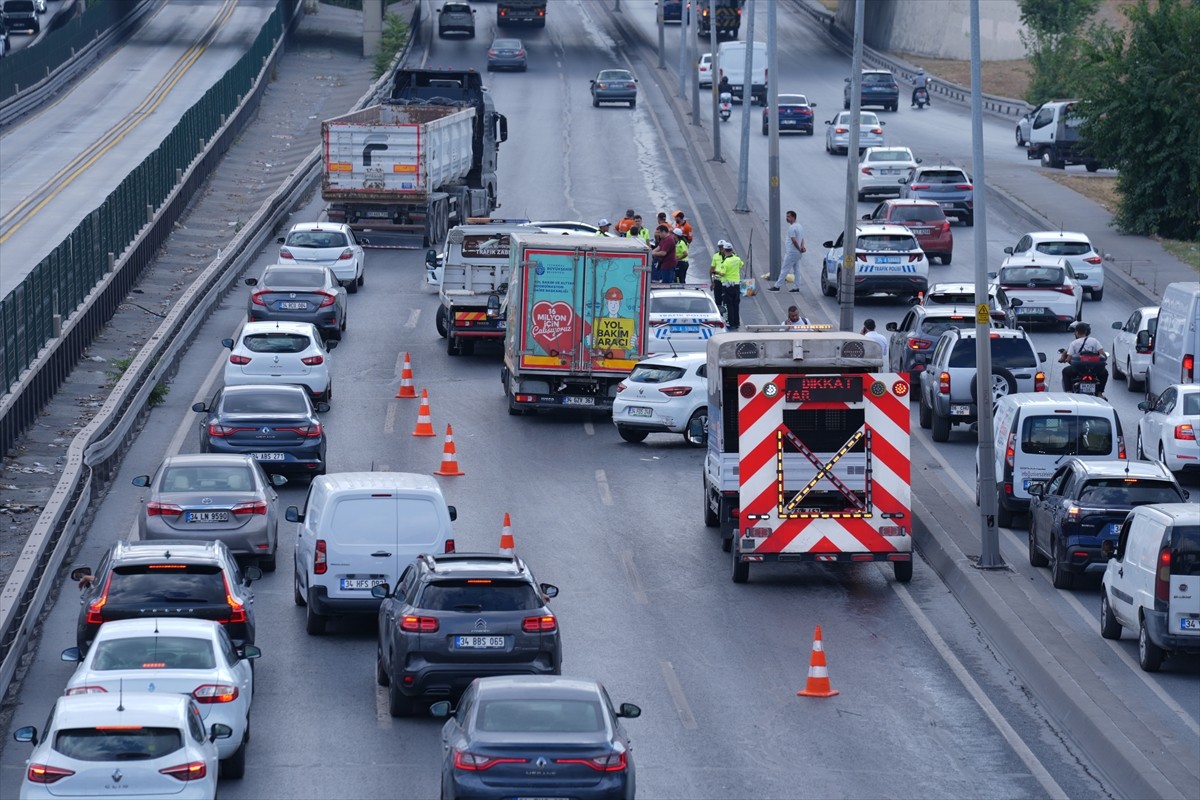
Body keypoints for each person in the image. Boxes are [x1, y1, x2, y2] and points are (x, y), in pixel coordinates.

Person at [1059, 321, 1109, 396]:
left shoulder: (1074, 343)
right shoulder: (1094, 341)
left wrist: (1065, 360)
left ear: (1076, 332)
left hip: (1078, 370)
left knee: (1065, 371)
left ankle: (1068, 392)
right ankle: (1100, 393)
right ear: (1086, 331)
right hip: (1094, 370)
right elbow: (1103, 355)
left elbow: (1069, 358)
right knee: (1105, 373)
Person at [767, 210, 805, 292]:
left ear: (793, 217)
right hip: (797, 253)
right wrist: (802, 247)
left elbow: (794, 240)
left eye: (788, 216)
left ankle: (777, 286)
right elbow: (802, 238)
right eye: (786, 216)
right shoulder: (799, 226)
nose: (786, 218)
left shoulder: (792, 228)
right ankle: (796, 287)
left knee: (785, 269)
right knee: (796, 269)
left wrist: (799, 248)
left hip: (792, 252)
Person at [714, 241, 743, 331]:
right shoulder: (737, 259)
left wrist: (716, 271)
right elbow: (741, 264)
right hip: (736, 285)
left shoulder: (725, 262)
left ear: (725, 250)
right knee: (736, 304)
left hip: (727, 286)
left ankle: (731, 323)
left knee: (728, 305)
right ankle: (737, 322)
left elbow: (722, 274)